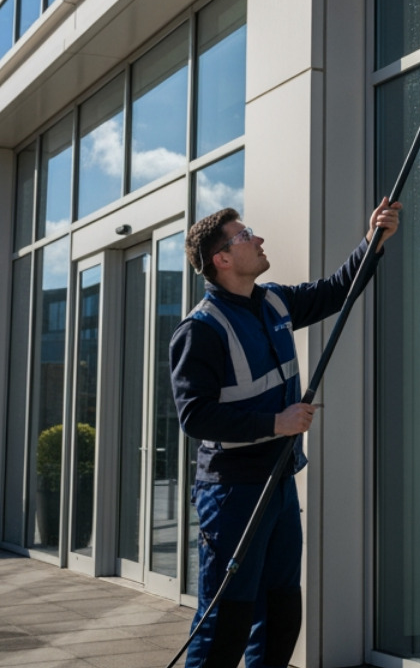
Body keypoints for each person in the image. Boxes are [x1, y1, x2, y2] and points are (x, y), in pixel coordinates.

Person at [171, 199, 400, 668]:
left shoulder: (274, 301)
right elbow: (195, 416)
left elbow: (336, 290)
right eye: (244, 236)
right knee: (226, 624)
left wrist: (373, 239)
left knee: (280, 617)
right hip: (232, 493)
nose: (257, 239)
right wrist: (275, 423)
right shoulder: (201, 329)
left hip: (277, 483)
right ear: (222, 259)